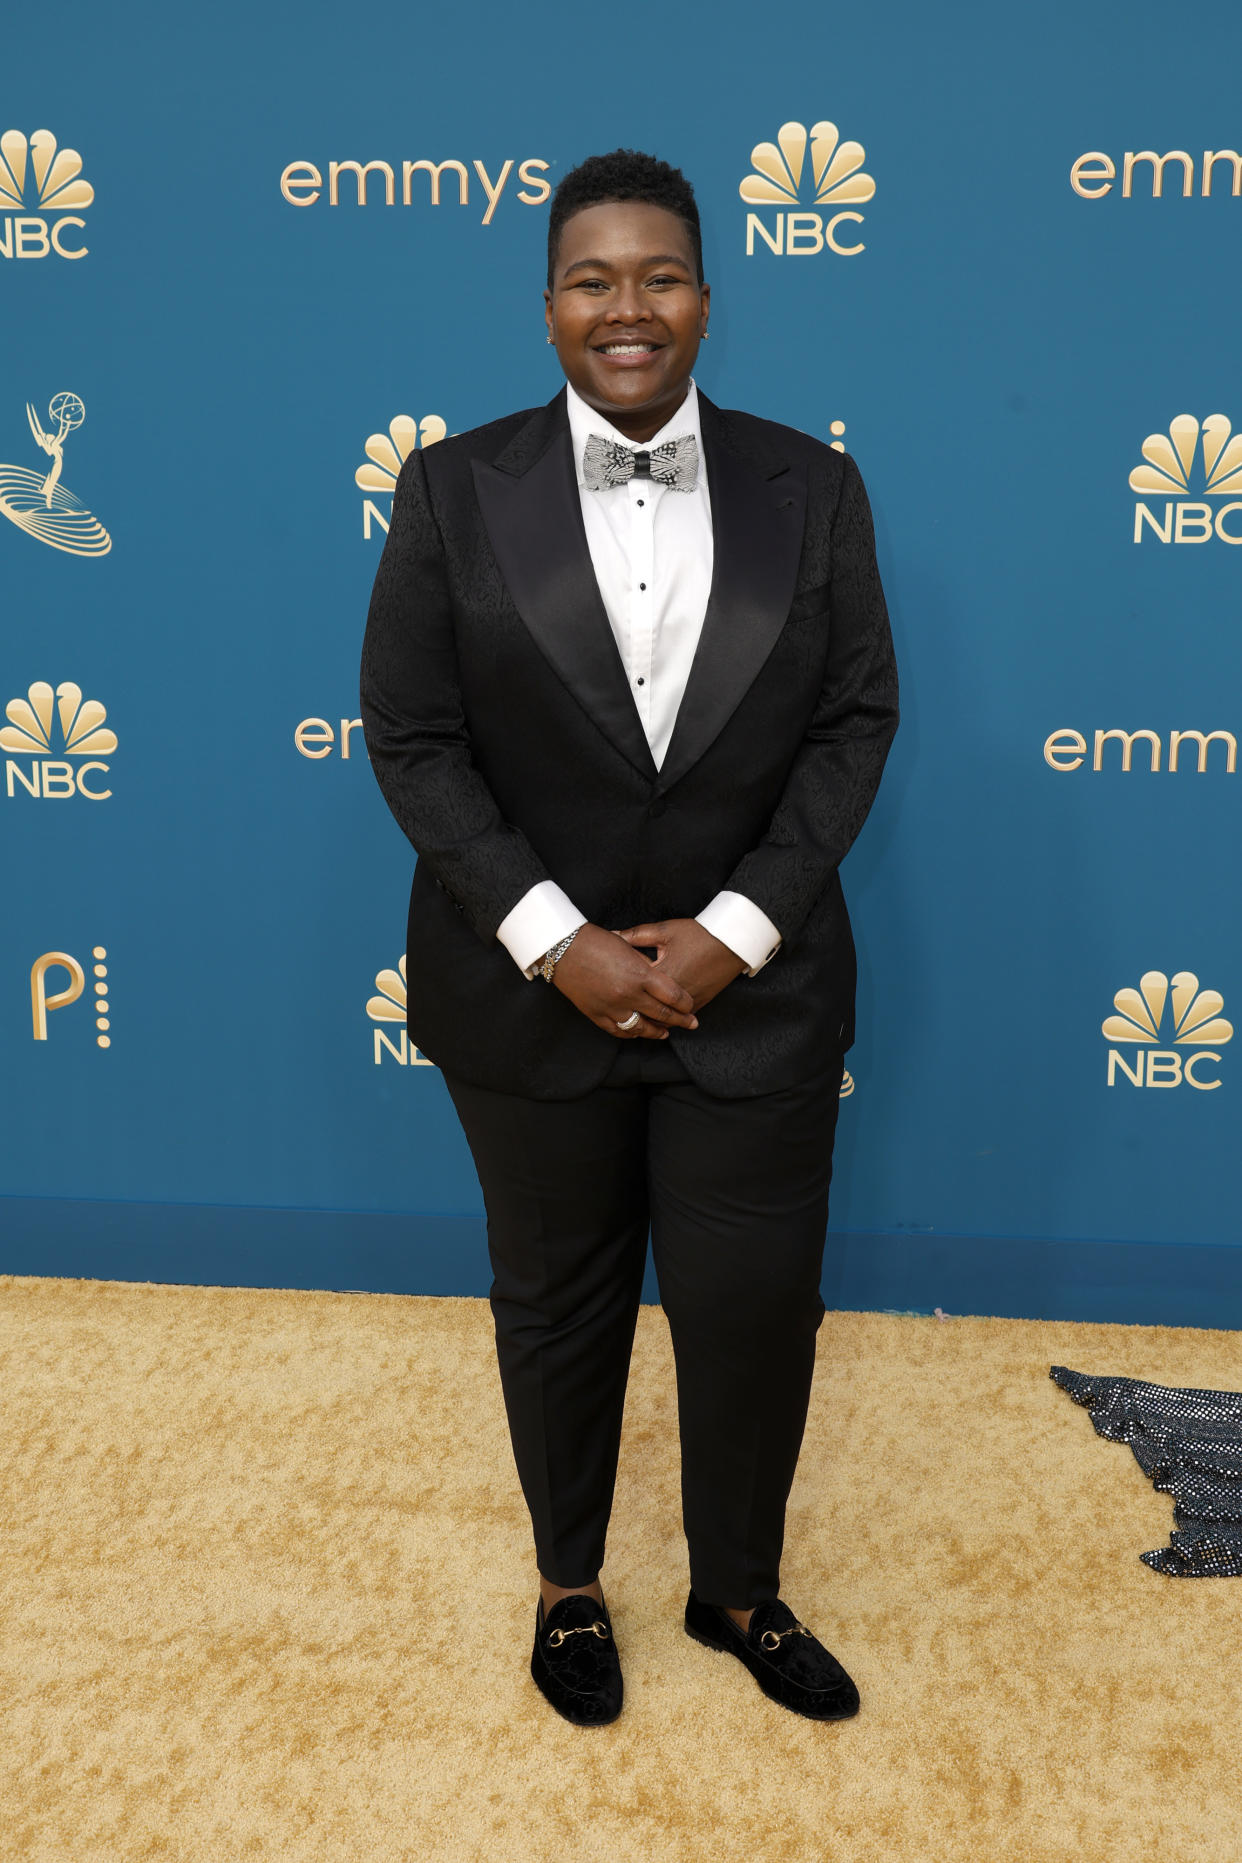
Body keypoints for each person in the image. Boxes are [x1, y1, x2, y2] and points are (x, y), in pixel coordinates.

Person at [360, 148, 899, 1728]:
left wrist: (729, 936)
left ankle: (737, 1590)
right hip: (530, 999)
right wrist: (558, 941)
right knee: (558, 1298)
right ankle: (569, 1589)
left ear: (707, 301)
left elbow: (854, 723)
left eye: (658, 275)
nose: (627, 306)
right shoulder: (455, 491)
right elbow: (410, 737)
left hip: (759, 996)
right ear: (545, 308)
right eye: (592, 278)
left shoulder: (818, 485)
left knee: (750, 1308)